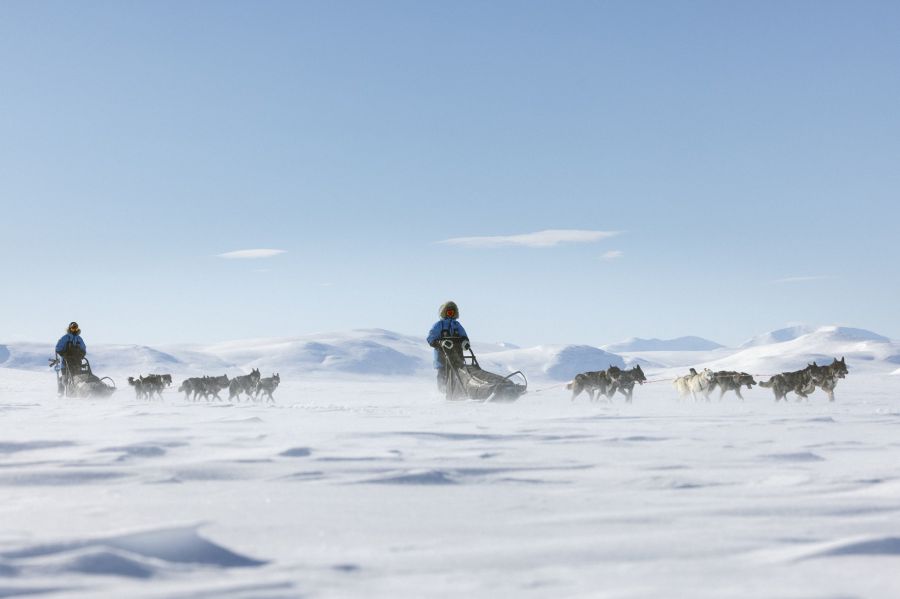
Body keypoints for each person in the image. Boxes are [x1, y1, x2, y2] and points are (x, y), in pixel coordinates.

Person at [426, 301, 468, 393]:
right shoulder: (438, 325)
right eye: (448, 312)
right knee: (443, 376)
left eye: (452, 313)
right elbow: (431, 339)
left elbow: (464, 336)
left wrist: (465, 342)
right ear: (444, 312)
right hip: (443, 358)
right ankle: (442, 394)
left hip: (457, 357)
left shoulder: (457, 325)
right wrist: (442, 343)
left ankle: (460, 392)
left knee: (459, 376)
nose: (450, 315)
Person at [54, 321, 86, 395]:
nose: (74, 330)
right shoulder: (65, 338)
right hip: (66, 362)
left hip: (76, 362)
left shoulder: (79, 339)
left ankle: (76, 392)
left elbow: (83, 348)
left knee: (77, 378)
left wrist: (81, 354)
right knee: (65, 379)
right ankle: (60, 393)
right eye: (73, 328)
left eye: (76, 328)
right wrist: (64, 354)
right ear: (70, 328)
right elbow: (58, 347)